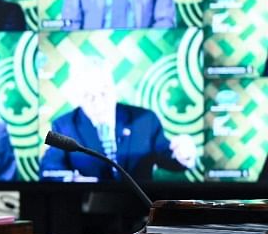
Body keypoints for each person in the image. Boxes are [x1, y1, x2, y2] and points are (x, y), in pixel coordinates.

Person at [39, 64, 198, 182]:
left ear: (114, 90)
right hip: (86, 210)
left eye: (104, 92)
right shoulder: (64, 125)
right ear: (77, 97)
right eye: (88, 96)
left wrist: (184, 154)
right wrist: (73, 179)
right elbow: (49, 169)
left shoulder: (145, 119)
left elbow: (168, 158)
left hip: (140, 210)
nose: (99, 102)